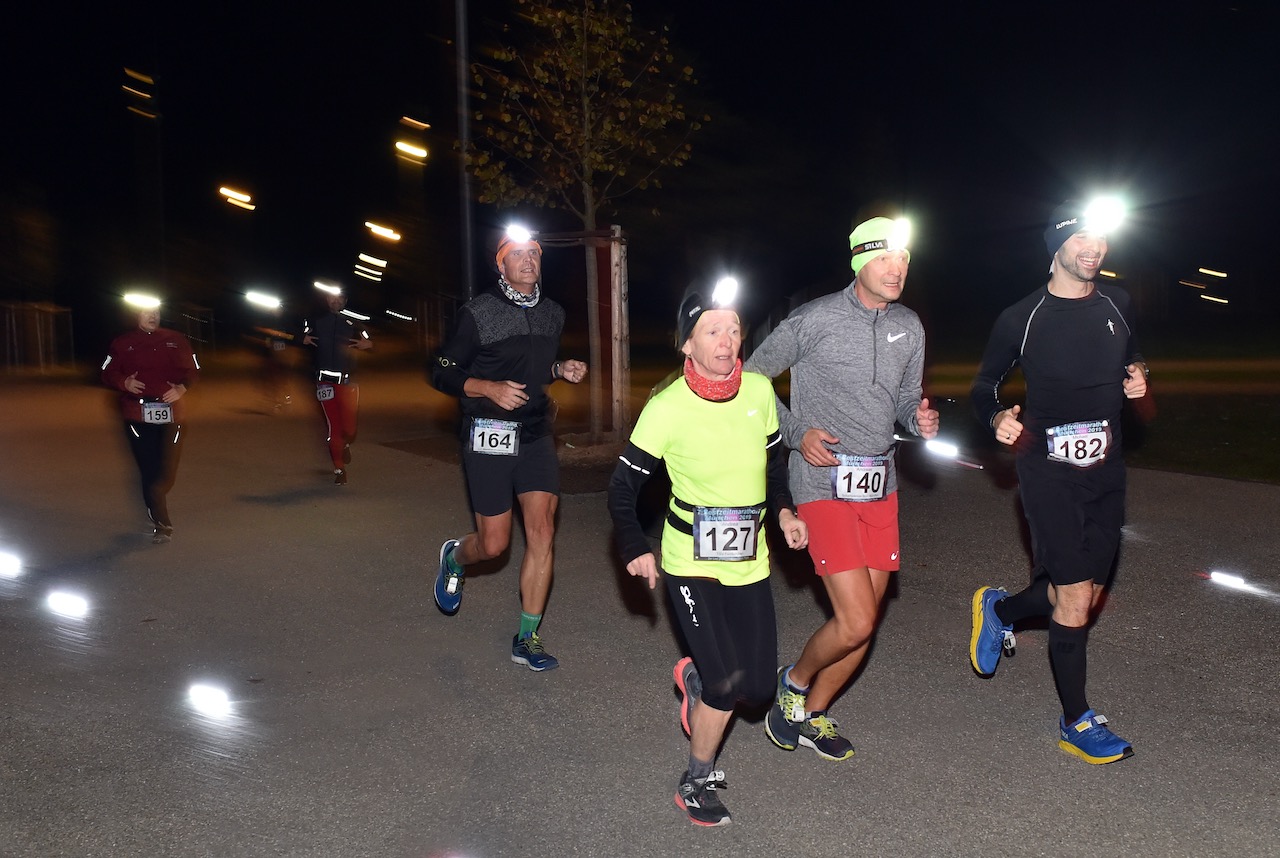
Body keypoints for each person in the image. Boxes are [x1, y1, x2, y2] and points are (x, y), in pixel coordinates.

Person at [607, 277, 807, 827]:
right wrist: (632, 546)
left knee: (759, 689)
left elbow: (773, 465)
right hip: (689, 561)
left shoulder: (761, 393)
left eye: (734, 328)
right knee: (725, 686)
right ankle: (696, 780)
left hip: (749, 559)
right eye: (712, 330)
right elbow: (622, 489)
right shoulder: (667, 408)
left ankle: (695, 681)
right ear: (687, 344)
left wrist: (786, 510)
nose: (727, 340)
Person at [743, 216, 939, 762]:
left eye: (903, 259)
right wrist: (794, 431)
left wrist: (916, 419)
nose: (896, 268)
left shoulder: (910, 326)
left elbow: (903, 399)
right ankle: (795, 683)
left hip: (881, 483)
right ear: (859, 262)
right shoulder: (814, 319)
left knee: (864, 625)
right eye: (884, 259)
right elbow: (751, 379)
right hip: (822, 481)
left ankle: (812, 715)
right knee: (854, 619)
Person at [968, 198, 1147, 765]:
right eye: (1082, 239)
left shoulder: (1118, 303)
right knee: (1072, 598)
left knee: (1087, 595)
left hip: (1107, 471)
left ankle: (999, 612)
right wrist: (996, 415)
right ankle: (1077, 721)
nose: (1094, 249)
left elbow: (1133, 359)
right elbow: (983, 386)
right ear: (1056, 246)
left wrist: (1139, 377)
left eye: (1102, 239)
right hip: (1047, 473)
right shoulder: (1022, 317)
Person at [430, 225, 587, 672]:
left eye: (534, 253)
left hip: (535, 432)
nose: (528, 260)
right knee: (494, 545)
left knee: (542, 532)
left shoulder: (553, 313)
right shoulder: (478, 313)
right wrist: (486, 387)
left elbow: (536, 367)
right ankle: (455, 558)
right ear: (501, 263)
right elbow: (441, 369)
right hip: (488, 432)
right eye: (516, 254)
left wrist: (561, 367)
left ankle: (528, 636)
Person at [101, 297, 200, 544]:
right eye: (146, 312)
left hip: (172, 413)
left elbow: (194, 367)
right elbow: (106, 371)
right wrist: (124, 382)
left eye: (156, 311)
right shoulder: (123, 343)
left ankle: (155, 497)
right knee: (149, 469)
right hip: (137, 415)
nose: (152, 316)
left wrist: (182, 388)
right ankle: (161, 520)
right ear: (136, 316)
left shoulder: (176, 340)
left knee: (166, 473)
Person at [302, 288, 372, 485]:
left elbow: (370, 340)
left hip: (348, 383)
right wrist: (301, 339)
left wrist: (370, 345)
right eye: (332, 297)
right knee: (334, 427)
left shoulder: (354, 323)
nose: (335, 300)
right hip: (324, 382)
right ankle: (339, 468)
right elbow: (296, 332)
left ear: (345, 300)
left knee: (349, 428)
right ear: (327, 299)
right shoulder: (315, 321)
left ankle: (346, 442)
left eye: (339, 297)